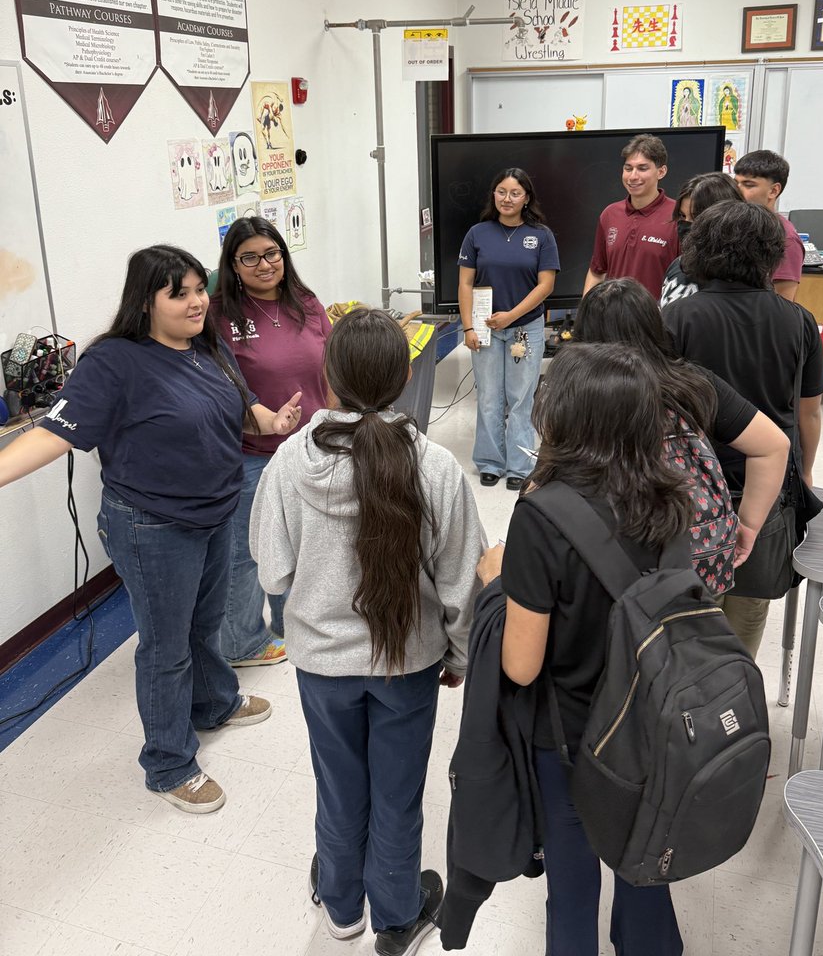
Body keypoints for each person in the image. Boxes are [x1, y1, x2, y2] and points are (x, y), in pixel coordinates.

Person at [0, 245, 305, 813]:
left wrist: (272, 420)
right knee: (166, 648)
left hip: (215, 510)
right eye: (180, 293)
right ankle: (168, 763)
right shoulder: (114, 362)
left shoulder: (205, 345)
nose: (196, 302)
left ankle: (213, 702)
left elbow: (243, 408)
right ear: (145, 302)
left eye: (198, 289)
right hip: (153, 526)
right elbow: (53, 433)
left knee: (205, 624)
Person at [250, 307, 484, 956]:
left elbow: (271, 568)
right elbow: (464, 579)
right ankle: (397, 915)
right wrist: (459, 654)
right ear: (404, 376)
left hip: (322, 667)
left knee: (338, 784)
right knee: (399, 794)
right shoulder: (433, 465)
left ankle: (342, 912)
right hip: (407, 665)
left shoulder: (290, 462)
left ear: (329, 375)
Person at [476, 342, 695, 956]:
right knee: (646, 870)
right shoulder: (672, 499)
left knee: (572, 889)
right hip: (651, 726)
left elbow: (521, 664)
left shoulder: (541, 518)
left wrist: (498, 584)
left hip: (572, 738)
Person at [662, 202, 823, 658]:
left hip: (691, 487)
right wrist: (806, 471)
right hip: (767, 486)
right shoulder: (798, 321)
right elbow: (809, 413)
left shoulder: (675, 318)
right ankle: (736, 703)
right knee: (749, 607)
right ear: (771, 255)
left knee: (689, 613)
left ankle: (689, 709)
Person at [573, 278, 789, 584]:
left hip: (602, 555)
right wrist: (749, 524)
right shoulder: (692, 383)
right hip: (688, 556)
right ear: (653, 326)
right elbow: (773, 446)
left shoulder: (576, 392)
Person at [210, 217, 331, 667]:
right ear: (233, 265)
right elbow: (222, 384)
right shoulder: (220, 314)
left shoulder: (305, 301)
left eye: (272, 253)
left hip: (312, 449)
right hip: (252, 455)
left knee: (302, 541)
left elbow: (331, 366)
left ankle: (289, 621)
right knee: (246, 550)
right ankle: (243, 643)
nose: (264, 264)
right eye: (250, 257)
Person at [458, 168, 558, 490]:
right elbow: (465, 283)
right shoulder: (477, 233)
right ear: (494, 194)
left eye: (515, 193)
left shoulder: (541, 236)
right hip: (485, 330)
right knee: (488, 396)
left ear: (526, 197)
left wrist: (511, 315)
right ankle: (490, 462)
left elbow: (546, 285)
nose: (507, 198)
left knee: (520, 398)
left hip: (524, 329)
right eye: (501, 191)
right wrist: (468, 327)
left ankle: (520, 464)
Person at [583, 133, 679, 300]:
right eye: (628, 168)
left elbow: (688, 279)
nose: (633, 176)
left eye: (642, 168)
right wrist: (585, 316)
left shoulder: (678, 216)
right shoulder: (609, 214)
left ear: (661, 171)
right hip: (612, 319)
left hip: (657, 322)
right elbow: (597, 272)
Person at [659, 172, 742, 307]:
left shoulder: (738, 282)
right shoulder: (678, 265)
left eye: (696, 217)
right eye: (682, 216)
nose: (686, 224)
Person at [733, 150, 805, 301]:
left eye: (748, 185)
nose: (737, 190)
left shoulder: (787, 239)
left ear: (773, 191)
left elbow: (782, 305)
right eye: (736, 183)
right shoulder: (735, 226)